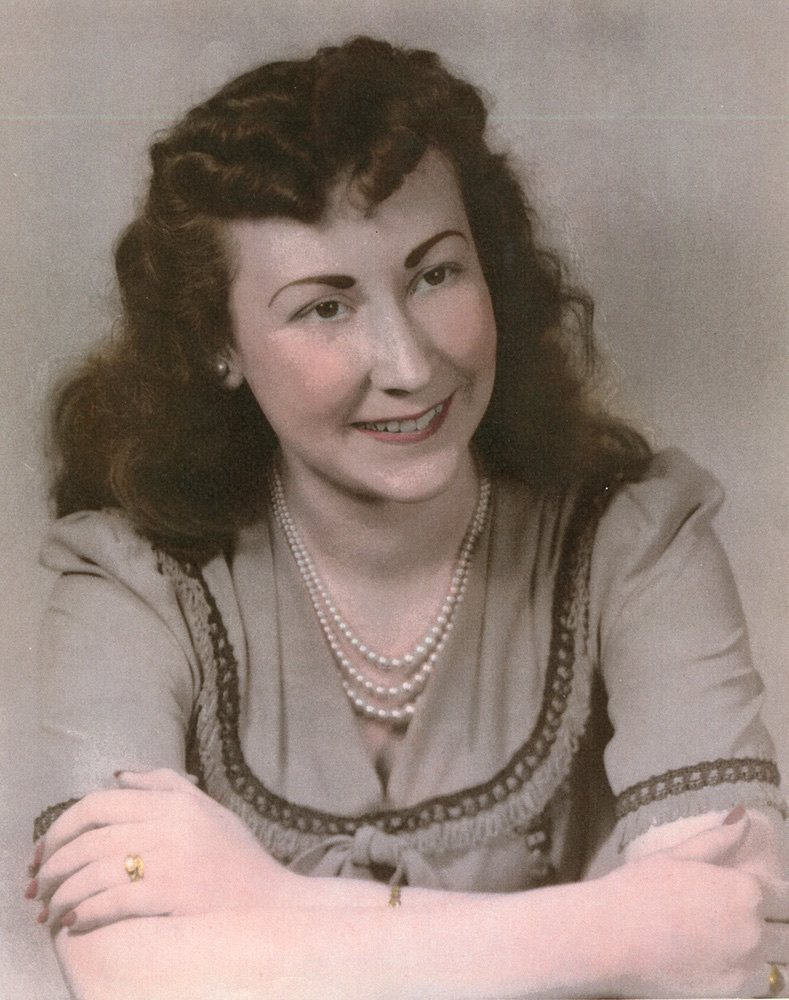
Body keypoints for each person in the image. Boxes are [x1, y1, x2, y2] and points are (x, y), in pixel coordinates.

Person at [25, 35, 787, 1000]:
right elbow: (124, 976)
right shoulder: (131, 579)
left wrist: (271, 901)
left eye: (435, 275)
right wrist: (623, 930)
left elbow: (734, 940)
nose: (409, 364)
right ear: (220, 344)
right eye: (323, 308)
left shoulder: (637, 539)